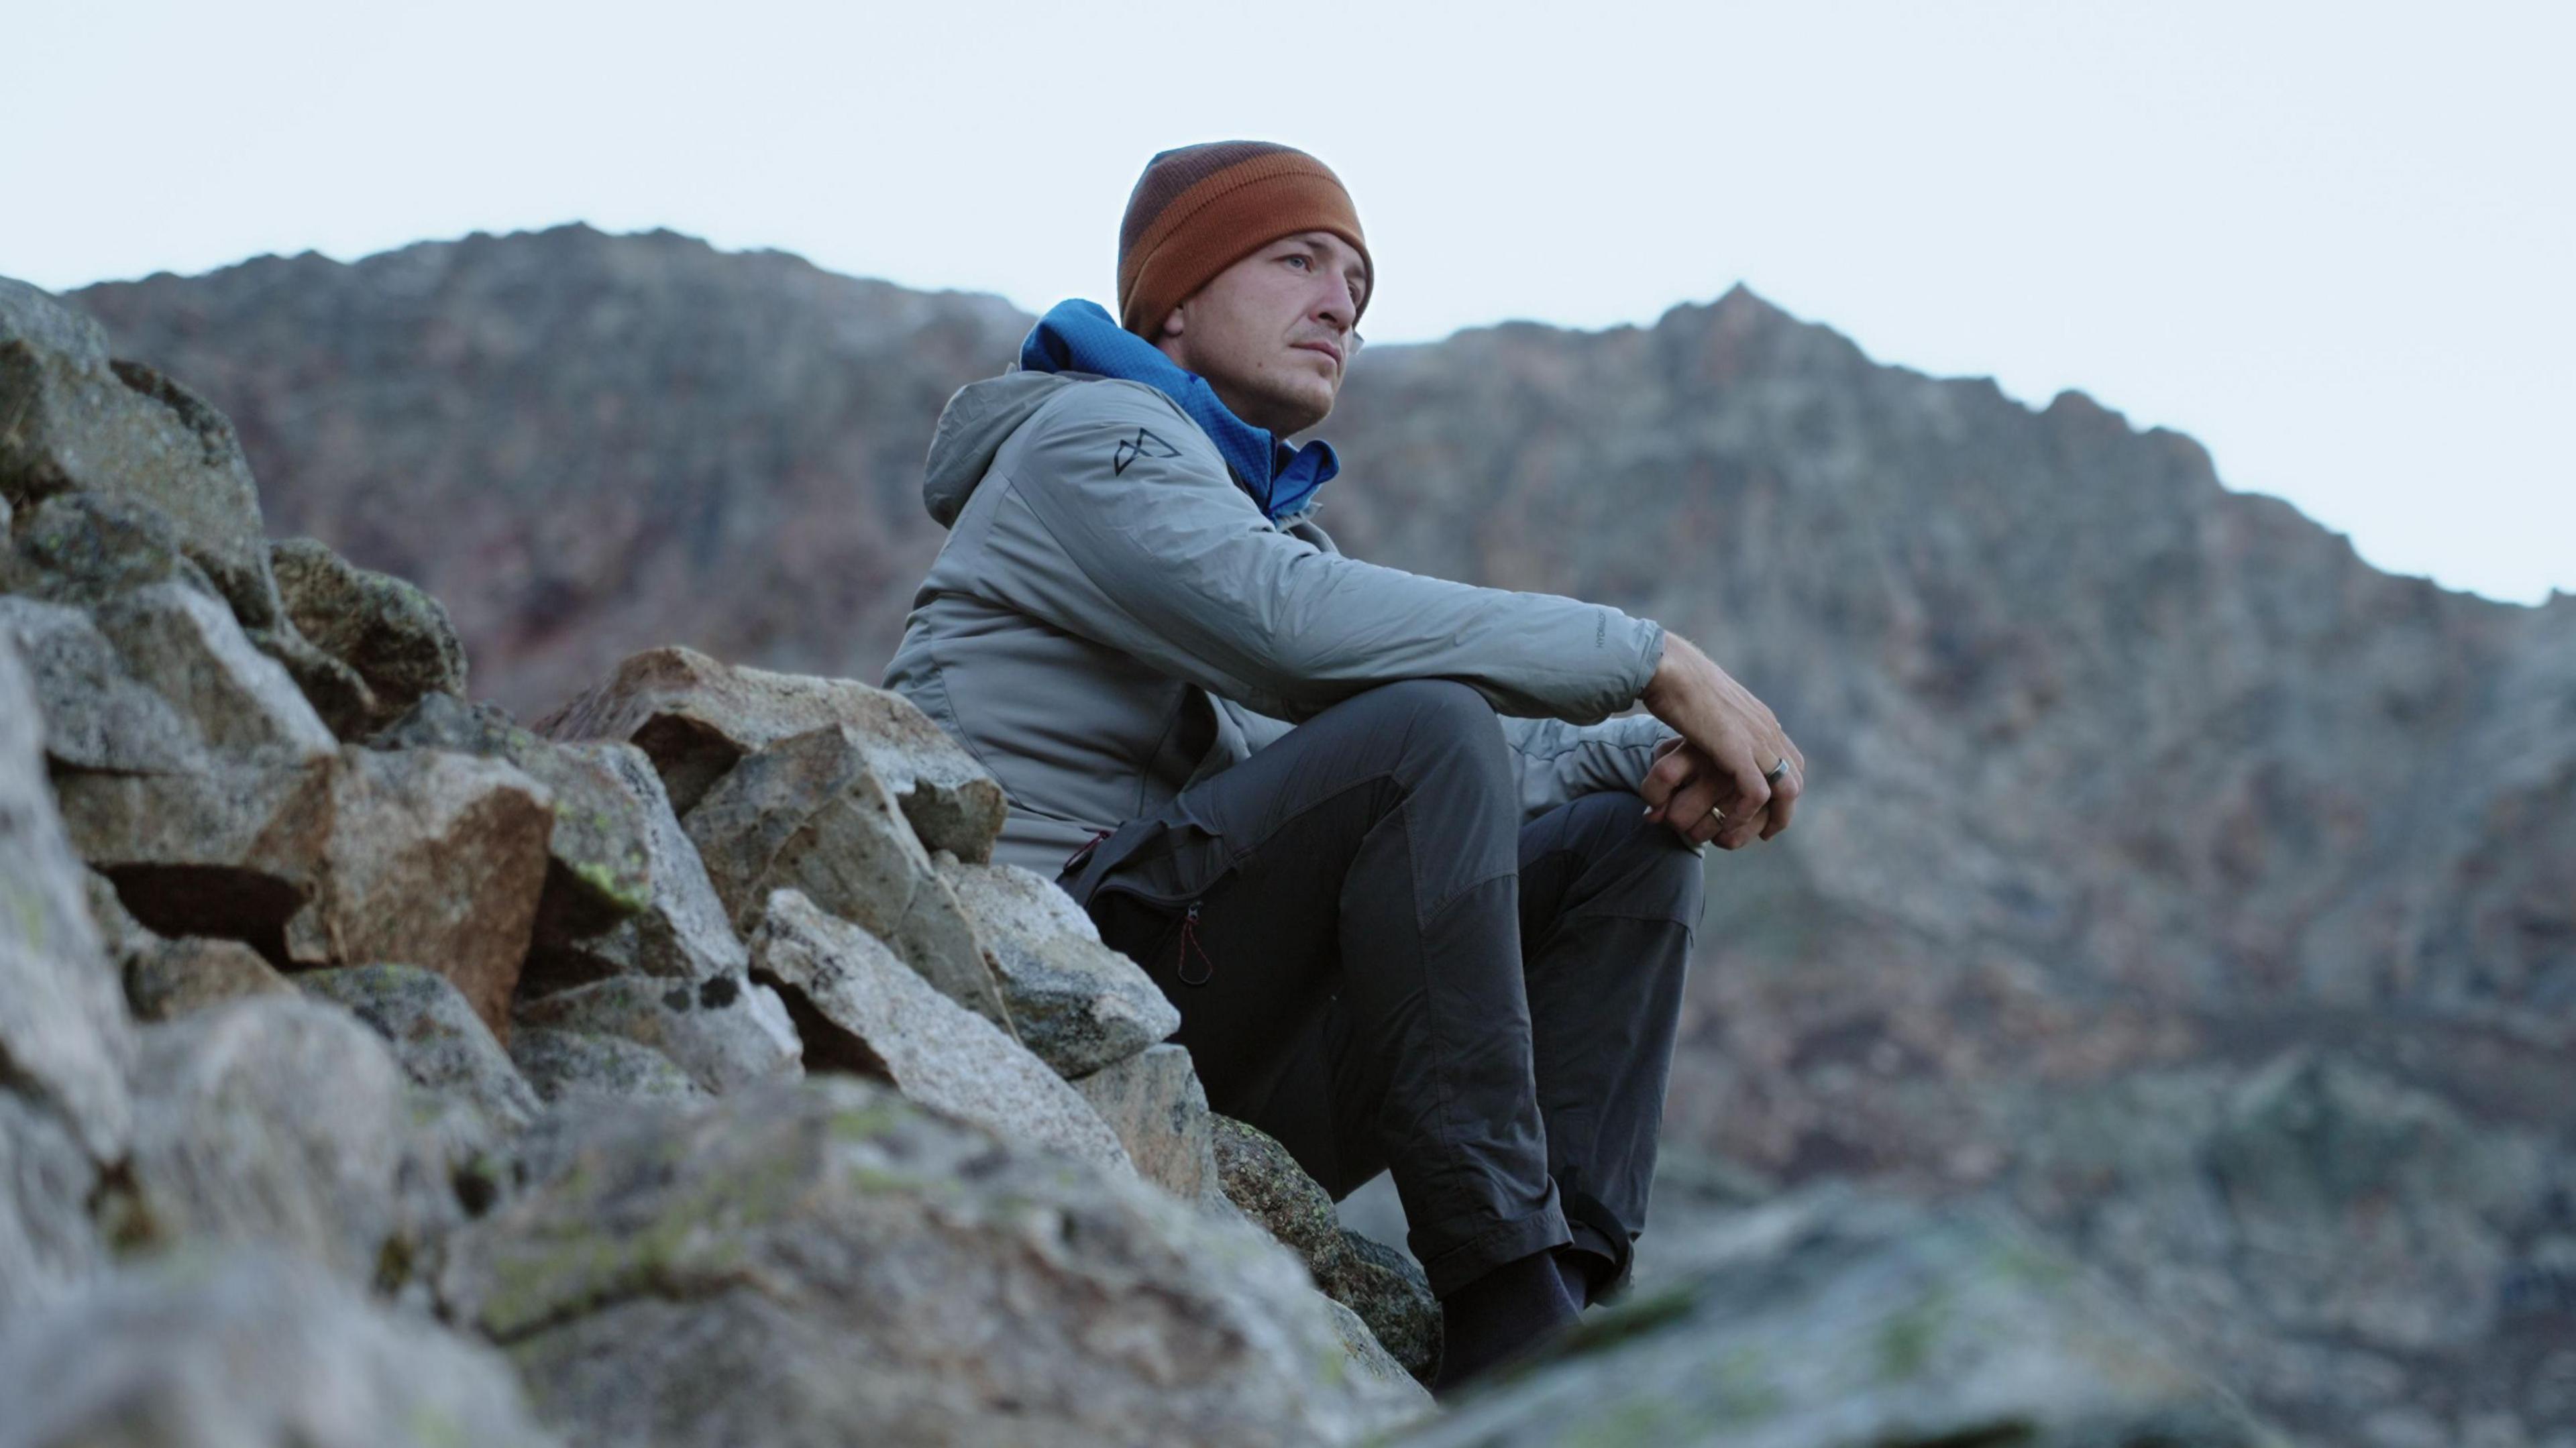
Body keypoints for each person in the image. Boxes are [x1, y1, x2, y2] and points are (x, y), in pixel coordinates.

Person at [882, 140, 1804, 1395]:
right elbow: (1294, 632)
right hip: (1044, 996)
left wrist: (1654, 754)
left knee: (1621, 844)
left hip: (1205, 1032)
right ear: (1176, 302)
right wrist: (1645, 658)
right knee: (1423, 731)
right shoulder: (1090, 444)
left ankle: (1570, 1305)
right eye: (1298, 260)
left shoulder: (1253, 521)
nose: (1341, 306)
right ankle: (1502, 1287)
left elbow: (1463, 785)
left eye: (1359, 288)